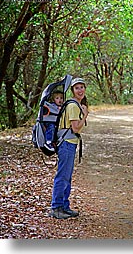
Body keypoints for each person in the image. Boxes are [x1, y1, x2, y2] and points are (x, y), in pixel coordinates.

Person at [49, 77, 89, 219]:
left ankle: (64, 206)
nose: (80, 90)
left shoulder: (75, 104)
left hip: (70, 143)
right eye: (77, 88)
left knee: (67, 177)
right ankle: (56, 208)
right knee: (62, 176)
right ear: (72, 90)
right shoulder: (73, 106)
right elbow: (76, 128)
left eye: (82, 87)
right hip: (66, 143)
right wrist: (84, 115)